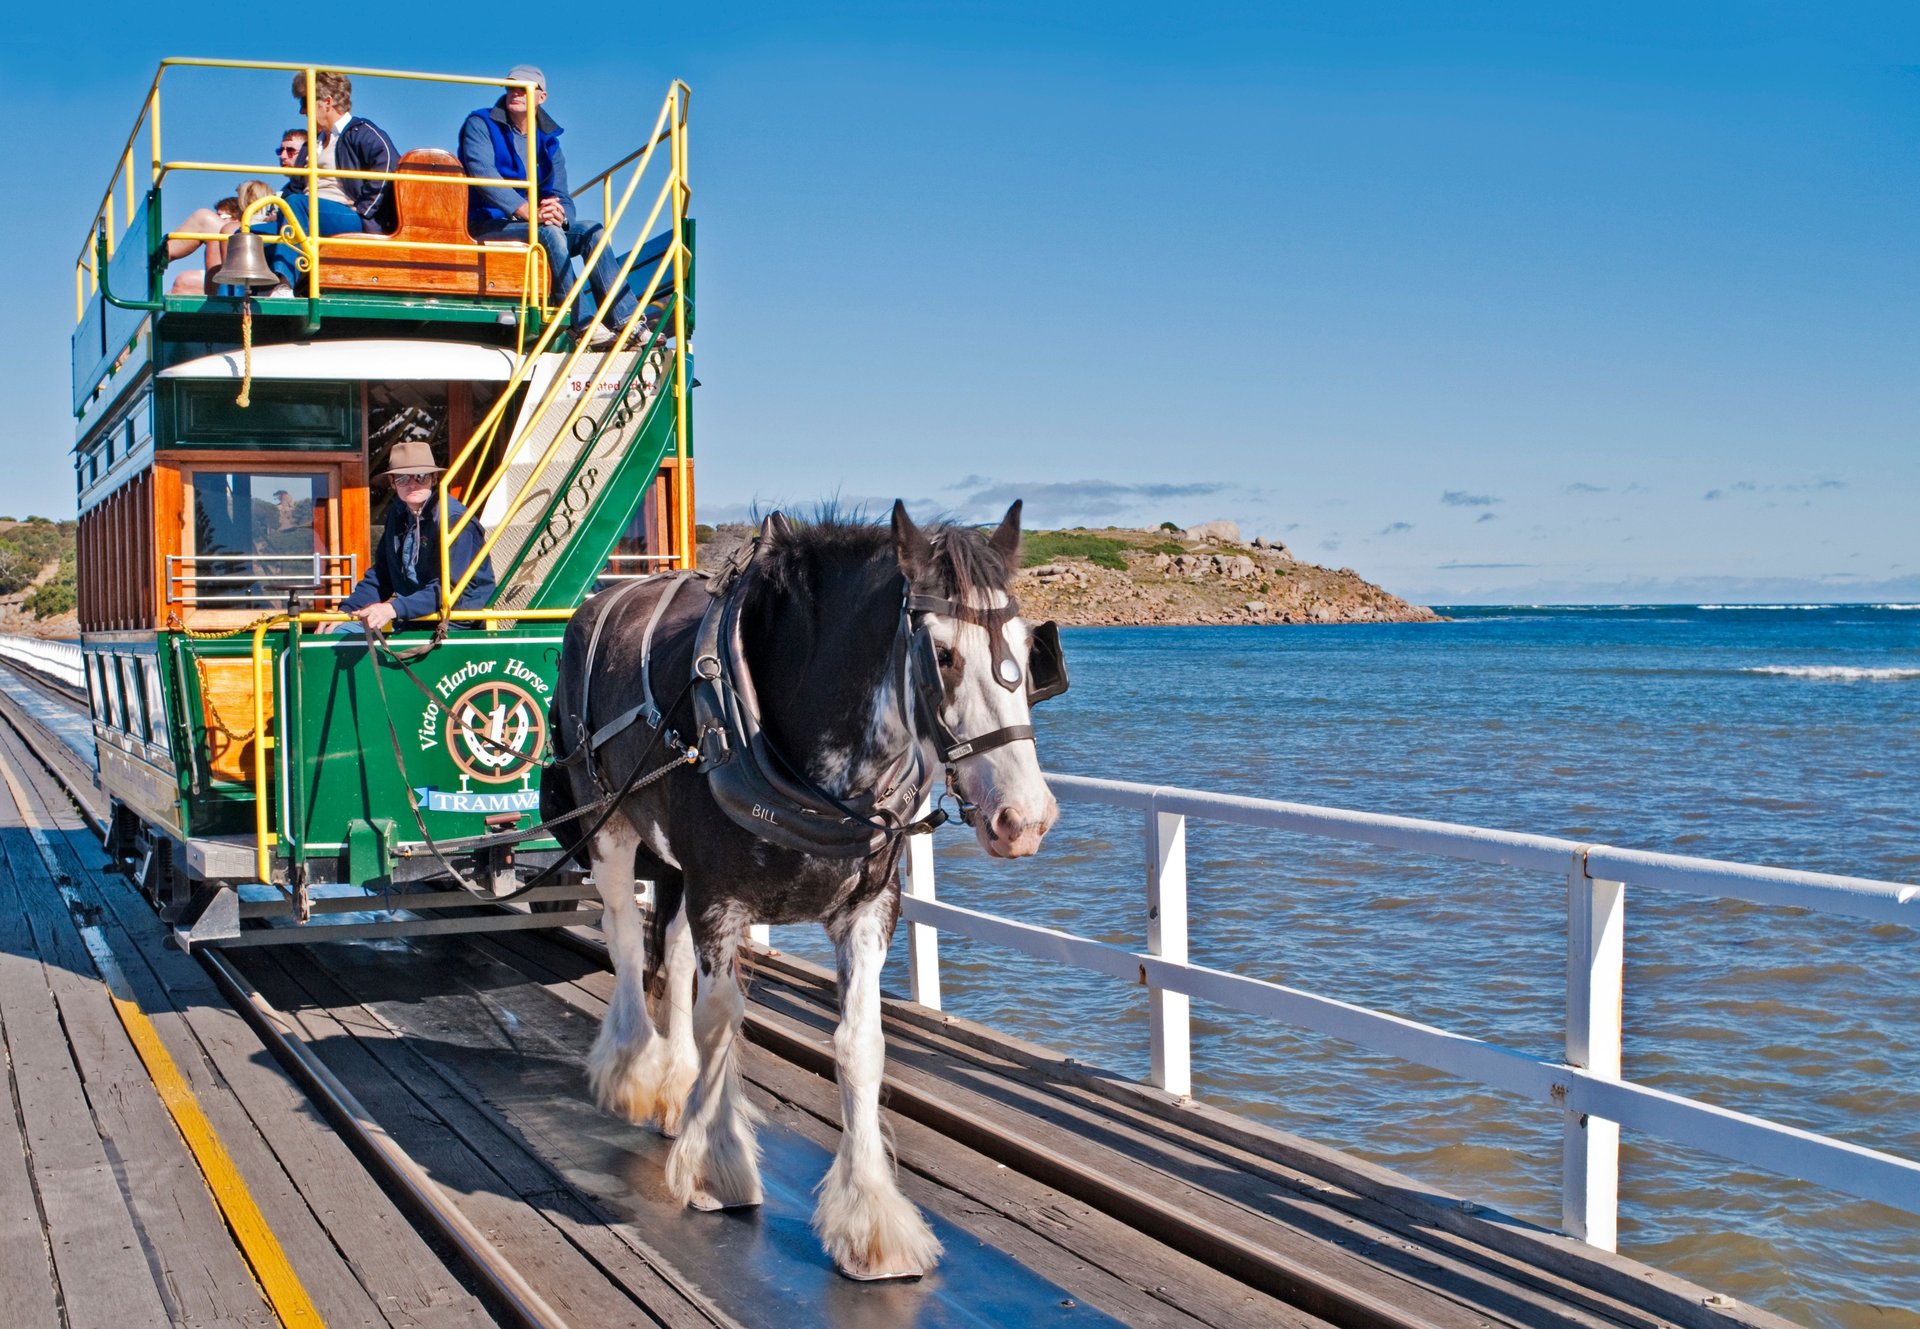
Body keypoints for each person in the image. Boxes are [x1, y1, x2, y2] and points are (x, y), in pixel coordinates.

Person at [459, 64, 642, 348]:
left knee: (592, 230)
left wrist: (561, 216)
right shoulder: (480, 124)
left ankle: (627, 320)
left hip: (536, 224)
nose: (515, 92)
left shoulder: (549, 140)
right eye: (511, 86)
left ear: (541, 97)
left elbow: (561, 193)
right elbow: (484, 176)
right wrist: (529, 213)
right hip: (491, 225)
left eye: (524, 87)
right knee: (550, 233)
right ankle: (582, 324)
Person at [337, 440, 496, 632]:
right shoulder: (398, 515)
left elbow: (451, 589)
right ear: (392, 482)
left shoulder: (454, 520)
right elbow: (382, 574)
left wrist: (392, 608)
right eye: (403, 478)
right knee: (340, 633)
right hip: (415, 620)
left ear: (434, 479)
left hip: (456, 623)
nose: (412, 484)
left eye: (420, 476)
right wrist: (345, 612)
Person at [263, 72, 399, 290]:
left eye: (305, 102)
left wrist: (364, 210)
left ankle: (285, 285)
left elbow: (389, 165)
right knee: (244, 236)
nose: (301, 111)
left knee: (297, 204)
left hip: (348, 217)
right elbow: (294, 187)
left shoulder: (361, 132)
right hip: (303, 216)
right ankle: (231, 306)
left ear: (327, 102)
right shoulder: (313, 143)